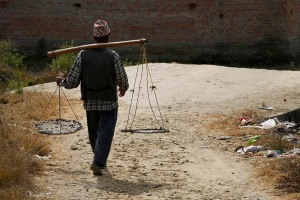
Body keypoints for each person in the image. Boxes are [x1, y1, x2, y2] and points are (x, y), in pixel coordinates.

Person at [56, 20, 129, 176]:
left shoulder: (83, 54)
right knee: (106, 131)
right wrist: (123, 87)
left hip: (90, 102)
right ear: (108, 36)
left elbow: (73, 81)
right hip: (109, 101)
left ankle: (98, 159)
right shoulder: (112, 55)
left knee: (94, 133)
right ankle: (98, 162)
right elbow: (121, 76)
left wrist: (62, 82)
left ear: (94, 37)